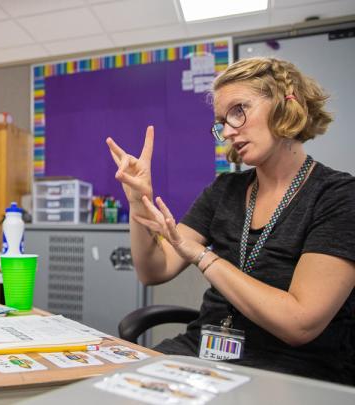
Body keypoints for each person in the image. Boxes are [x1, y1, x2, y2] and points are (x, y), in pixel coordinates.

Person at [106, 57, 355, 384]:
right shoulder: (226, 189)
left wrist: (203, 257)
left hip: (290, 370)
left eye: (239, 110)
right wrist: (138, 201)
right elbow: (154, 269)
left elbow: (300, 323)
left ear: (283, 102)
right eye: (221, 121)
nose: (227, 131)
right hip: (203, 352)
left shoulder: (338, 196)